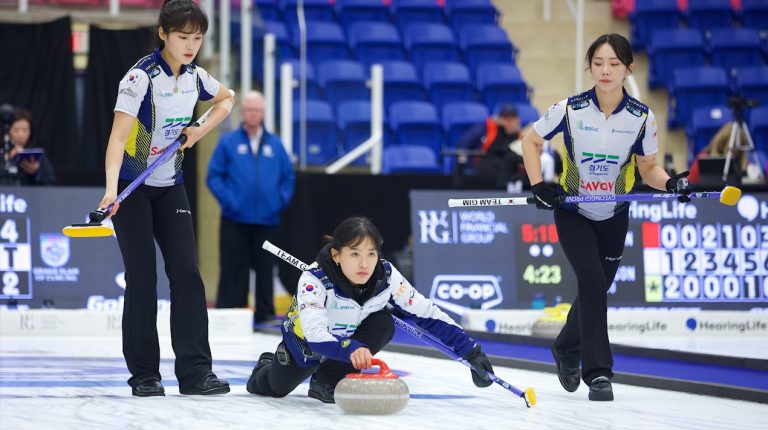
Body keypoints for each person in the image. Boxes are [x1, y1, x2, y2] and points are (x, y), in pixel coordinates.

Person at [520, 34, 692, 402]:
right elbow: (529, 141)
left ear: (629, 69)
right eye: (598, 63)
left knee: (596, 289)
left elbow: (648, 169)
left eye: (614, 64)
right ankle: (598, 373)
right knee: (593, 281)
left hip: (614, 212)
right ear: (590, 67)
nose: (605, 70)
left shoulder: (641, 117)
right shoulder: (569, 109)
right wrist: (539, 185)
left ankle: (566, 346)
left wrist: (673, 183)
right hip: (574, 211)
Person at [97, 0, 234, 397]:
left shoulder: (196, 76)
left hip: (171, 185)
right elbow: (118, 139)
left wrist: (197, 131)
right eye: (182, 37)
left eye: (197, 38)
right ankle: (144, 374)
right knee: (142, 279)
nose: (190, 45)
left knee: (189, 276)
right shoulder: (139, 78)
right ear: (163, 34)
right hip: (131, 188)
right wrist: (110, 190)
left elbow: (227, 99)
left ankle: (195, 373)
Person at [245, 216, 495, 403]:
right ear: (336, 255)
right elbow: (315, 335)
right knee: (274, 389)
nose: (364, 264)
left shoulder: (386, 276)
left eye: (371, 254)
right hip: (307, 345)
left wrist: (472, 352)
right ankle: (267, 365)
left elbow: (426, 312)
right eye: (354, 254)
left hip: (346, 341)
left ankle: (327, 381)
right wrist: (352, 349)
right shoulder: (313, 280)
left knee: (383, 323)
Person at [207, 91, 295, 326]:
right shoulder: (228, 142)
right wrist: (230, 202)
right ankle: (229, 313)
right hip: (234, 219)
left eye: (257, 110)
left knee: (266, 269)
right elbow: (213, 176)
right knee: (232, 266)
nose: (252, 114)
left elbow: (288, 177)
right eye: (248, 109)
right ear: (242, 112)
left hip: (267, 220)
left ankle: (264, 313)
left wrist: (279, 201)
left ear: (263, 114)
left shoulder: (275, 145)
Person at [457, 105, 525, 187]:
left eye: (512, 118)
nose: (509, 122)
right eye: (506, 118)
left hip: (508, 168)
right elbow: (464, 142)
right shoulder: (487, 127)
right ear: (499, 119)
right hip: (487, 163)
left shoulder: (519, 134)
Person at [6, 109, 56, 185]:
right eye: (16, 130)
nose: (20, 135)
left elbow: (51, 184)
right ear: (8, 132)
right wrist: (7, 159)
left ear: (30, 132)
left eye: (25, 130)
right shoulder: (3, 153)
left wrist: (36, 172)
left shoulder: (38, 156)